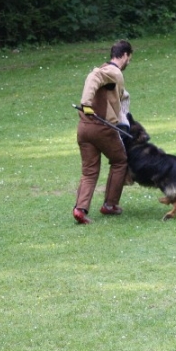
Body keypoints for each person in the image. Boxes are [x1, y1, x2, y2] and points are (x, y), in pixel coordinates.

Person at [73, 40, 133, 224]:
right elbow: (94, 76)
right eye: (129, 58)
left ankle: (80, 210)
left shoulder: (108, 70)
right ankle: (110, 205)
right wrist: (86, 103)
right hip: (102, 128)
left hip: (84, 128)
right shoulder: (113, 71)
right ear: (124, 55)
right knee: (120, 161)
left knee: (89, 171)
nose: (129, 62)